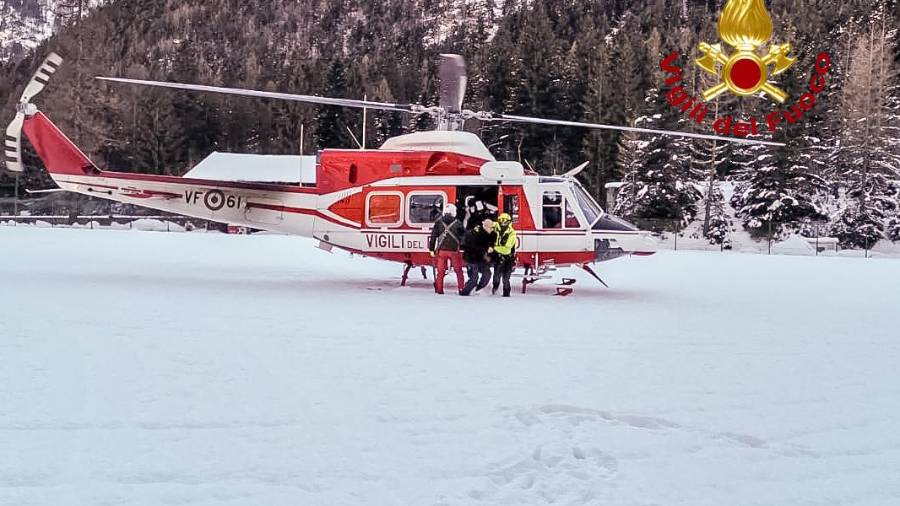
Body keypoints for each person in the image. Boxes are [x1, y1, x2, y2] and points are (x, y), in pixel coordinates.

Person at [428, 204, 465, 295]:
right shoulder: (458, 223)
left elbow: (433, 237)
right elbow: (463, 238)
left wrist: (431, 250)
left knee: (440, 272)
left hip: (441, 251)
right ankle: (461, 288)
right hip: (454, 251)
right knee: (458, 271)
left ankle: (439, 290)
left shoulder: (438, 222)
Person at [460, 218, 496, 296]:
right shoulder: (474, 235)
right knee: (474, 278)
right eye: (491, 228)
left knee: (487, 274)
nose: (492, 229)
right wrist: (486, 249)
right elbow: (473, 247)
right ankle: (464, 293)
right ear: (485, 226)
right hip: (471, 259)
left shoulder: (490, 234)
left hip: (480, 259)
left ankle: (477, 289)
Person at [492, 213, 517, 297]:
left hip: (508, 257)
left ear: (509, 222)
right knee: (496, 275)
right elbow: (487, 224)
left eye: (505, 221)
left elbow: (507, 248)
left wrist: (494, 248)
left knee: (506, 278)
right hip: (497, 257)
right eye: (501, 220)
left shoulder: (512, 233)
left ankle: (506, 293)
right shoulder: (495, 227)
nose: (502, 223)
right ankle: (495, 288)